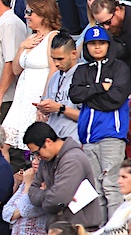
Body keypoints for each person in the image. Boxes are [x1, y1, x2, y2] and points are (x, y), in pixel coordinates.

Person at [69, 25, 131, 217]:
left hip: (111, 135)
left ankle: (115, 230)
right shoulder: (81, 70)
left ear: (108, 45)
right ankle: (102, 229)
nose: (97, 47)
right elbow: (74, 94)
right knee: (95, 189)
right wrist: (99, 88)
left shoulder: (120, 67)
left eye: (101, 43)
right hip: (87, 137)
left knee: (112, 187)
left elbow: (116, 99)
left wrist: (89, 94)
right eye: (92, 44)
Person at [1, 0, 61, 152]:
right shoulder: (31, 37)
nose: (26, 16)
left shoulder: (53, 36)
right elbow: (15, 70)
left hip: (39, 95)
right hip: (22, 96)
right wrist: (22, 46)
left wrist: (44, 100)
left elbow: (54, 69)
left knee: (35, 146)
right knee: (4, 144)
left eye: (30, 12)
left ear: (43, 13)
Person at [24, 122, 106, 230]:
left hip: (80, 228)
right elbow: (33, 191)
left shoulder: (72, 159)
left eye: (37, 152)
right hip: (58, 227)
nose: (37, 157)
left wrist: (51, 196)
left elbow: (55, 200)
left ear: (48, 142)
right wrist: (50, 193)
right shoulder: (46, 160)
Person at [36, 30, 80, 140]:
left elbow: (88, 117)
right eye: (53, 59)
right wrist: (43, 109)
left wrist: (60, 108)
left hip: (74, 139)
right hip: (53, 139)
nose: (56, 63)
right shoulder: (55, 77)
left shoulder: (85, 75)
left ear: (73, 54)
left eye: (60, 59)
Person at [2, 155, 48, 235]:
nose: (34, 162)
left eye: (39, 159)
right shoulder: (30, 178)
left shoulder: (48, 184)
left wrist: (28, 184)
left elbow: (26, 210)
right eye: (33, 158)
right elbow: (6, 213)